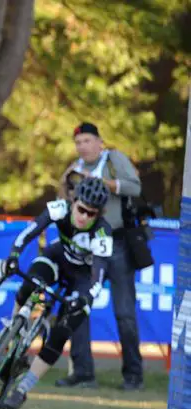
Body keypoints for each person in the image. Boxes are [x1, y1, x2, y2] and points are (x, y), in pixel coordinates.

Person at [0, 177, 113, 409]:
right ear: (73, 201)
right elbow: (29, 232)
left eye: (92, 214)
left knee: (63, 331)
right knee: (31, 281)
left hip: (83, 278)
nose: (84, 217)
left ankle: (23, 389)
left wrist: (86, 298)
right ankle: (15, 328)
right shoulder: (59, 208)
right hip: (58, 259)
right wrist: (14, 255)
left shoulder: (103, 231)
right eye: (81, 210)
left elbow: (99, 274)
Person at [56, 122, 143, 391]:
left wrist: (103, 183)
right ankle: (82, 373)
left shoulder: (114, 160)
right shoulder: (74, 168)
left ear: (99, 142)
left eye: (87, 140)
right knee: (78, 307)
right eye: (79, 142)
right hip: (86, 244)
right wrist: (66, 185)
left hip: (116, 241)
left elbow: (135, 188)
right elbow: (66, 201)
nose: (83, 146)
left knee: (124, 312)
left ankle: (133, 375)